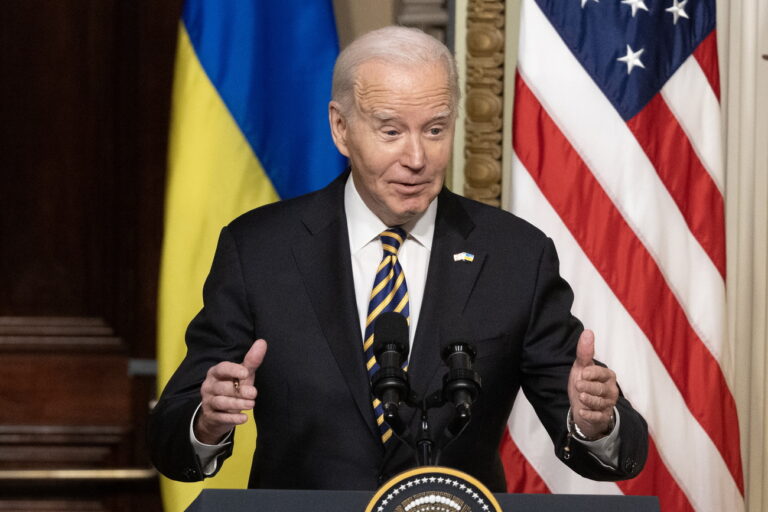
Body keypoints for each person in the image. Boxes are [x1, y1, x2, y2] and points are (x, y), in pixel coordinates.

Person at [148, 26, 647, 492]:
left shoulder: (516, 255)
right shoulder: (260, 249)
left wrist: (595, 422)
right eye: (390, 132)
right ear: (341, 129)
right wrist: (207, 419)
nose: (416, 158)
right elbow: (172, 438)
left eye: (434, 130)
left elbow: (609, 444)